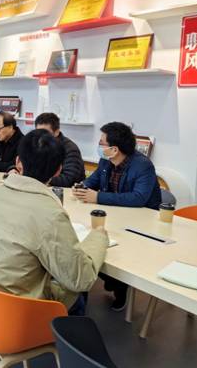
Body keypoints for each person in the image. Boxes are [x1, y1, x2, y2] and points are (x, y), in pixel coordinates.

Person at [0, 129, 108, 317]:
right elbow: (81, 279)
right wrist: (99, 236)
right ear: (58, 170)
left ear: (18, 163)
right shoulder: (50, 213)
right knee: (75, 289)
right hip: (14, 317)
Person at [73, 121, 162, 311]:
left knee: (110, 250)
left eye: (102, 142)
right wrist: (81, 187)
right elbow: (93, 180)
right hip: (115, 216)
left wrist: (98, 197)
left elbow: (138, 198)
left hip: (141, 223)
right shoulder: (106, 161)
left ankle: (119, 285)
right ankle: (112, 279)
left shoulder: (143, 166)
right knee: (92, 242)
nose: (99, 146)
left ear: (114, 149)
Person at [35, 113, 85, 187]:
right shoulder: (37, 144)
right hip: (44, 186)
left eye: (45, 133)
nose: (41, 136)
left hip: (67, 190)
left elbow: (69, 179)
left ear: (56, 132)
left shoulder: (70, 149)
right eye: (38, 132)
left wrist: (41, 178)